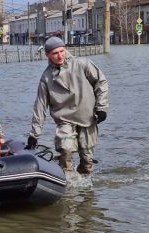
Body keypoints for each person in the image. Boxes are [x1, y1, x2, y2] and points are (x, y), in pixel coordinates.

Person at [26, 36, 108, 175]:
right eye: (55, 53)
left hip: (87, 118)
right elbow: (40, 107)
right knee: (66, 151)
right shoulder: (46, 78)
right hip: (64, 121)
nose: (60, 56)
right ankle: (68, 188)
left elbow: (101, 82)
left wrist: (101, 108)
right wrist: (34, 135)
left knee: (87, 160)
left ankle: (86, 190)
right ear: (47, 55)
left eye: (62, 51)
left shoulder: (83, 64)